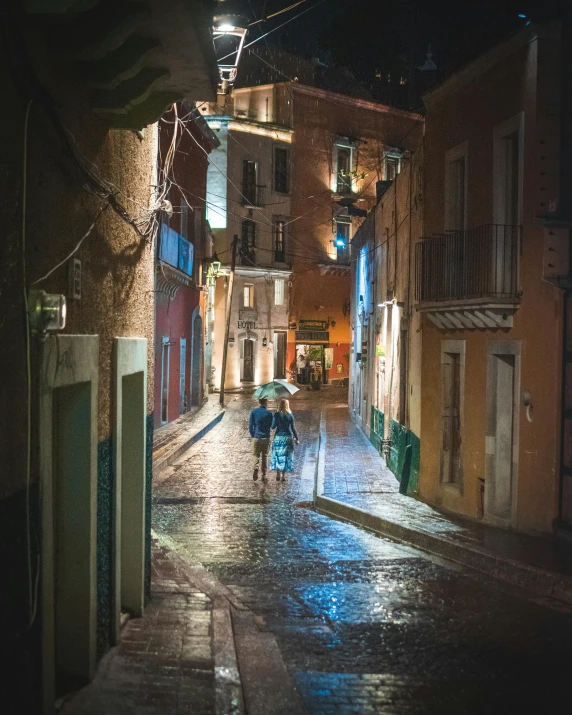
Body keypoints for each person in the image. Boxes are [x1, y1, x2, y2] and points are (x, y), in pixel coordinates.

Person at [270, 398, 299, 481]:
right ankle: (283, 475)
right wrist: (297, 438)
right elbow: (293, 428)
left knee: (277, 455)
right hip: (288, 438)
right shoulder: (290, 415)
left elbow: (272, 427)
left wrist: (274, 417)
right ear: (287, 405)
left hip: (278, 437)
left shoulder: (277, 414)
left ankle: (278, 473)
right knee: (286, 456)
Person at [249, 398, 273, 482]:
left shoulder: (254, 412)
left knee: (256, 455)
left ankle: (256, 468)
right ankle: (263, 475)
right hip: (266, 437)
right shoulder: (269, 413)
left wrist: (253, 435)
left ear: (259, 402)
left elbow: (250, 426)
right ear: (266, 402)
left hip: (257, 437)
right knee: (264, 456)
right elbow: (272, 425)